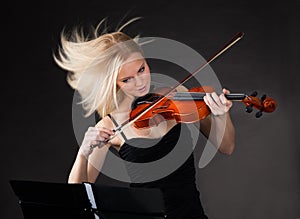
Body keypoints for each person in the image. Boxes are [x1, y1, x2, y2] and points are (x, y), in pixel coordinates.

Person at [53, 17, 235, 219]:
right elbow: (76, 198)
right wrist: (83, 153)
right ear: (114, 82)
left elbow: (226, 147)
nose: (140, 82)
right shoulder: (110, 125)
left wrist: (220, 115)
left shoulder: (176, 95)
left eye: (142, 69)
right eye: (127, 79)